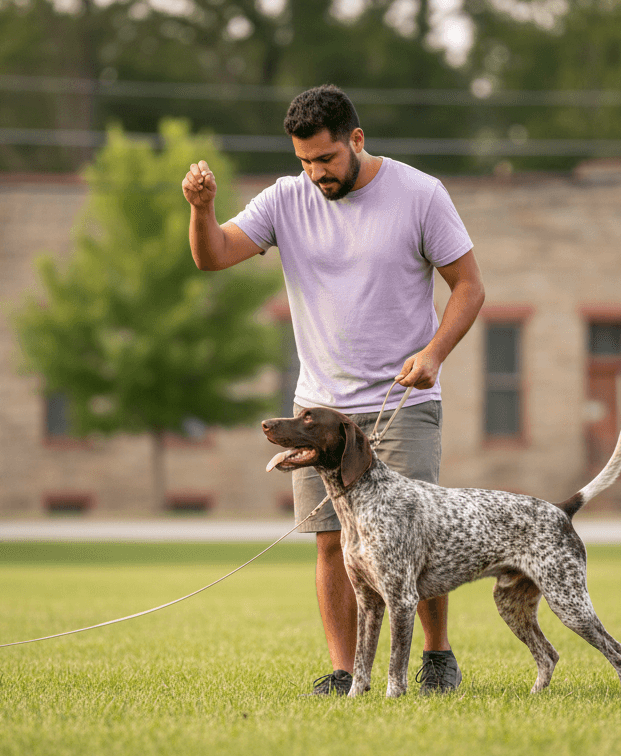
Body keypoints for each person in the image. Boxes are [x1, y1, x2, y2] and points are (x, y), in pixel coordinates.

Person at [182, 84, 485, 695]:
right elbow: (213, 256)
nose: (315, 173)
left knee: (415, 537)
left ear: (356, 139)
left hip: (401, 401)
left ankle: (437, 657)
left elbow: (470, 286)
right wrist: (201, 208)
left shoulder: (420, 194)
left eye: (325, 159)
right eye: (304, 161)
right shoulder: (285, 200)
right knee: (330, 544)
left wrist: (434, 354)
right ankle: (348, 671)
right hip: (321, 409)